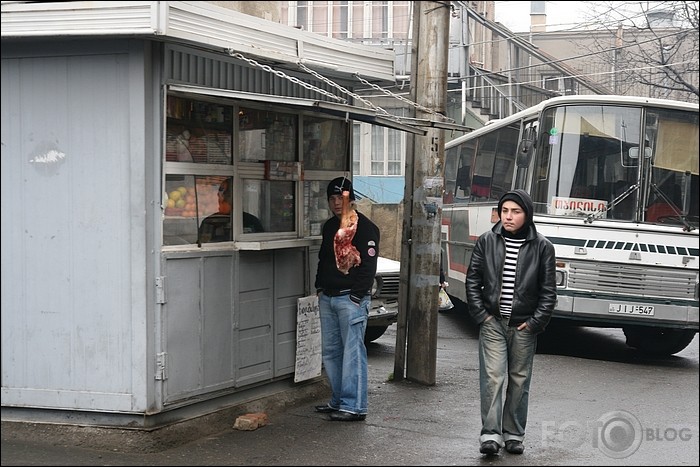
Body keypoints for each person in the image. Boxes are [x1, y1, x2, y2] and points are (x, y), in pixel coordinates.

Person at [465, 189, 556, 456]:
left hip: (524, 326)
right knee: (493, 378)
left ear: (527, 215)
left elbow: (548, 292)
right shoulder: (487, 241)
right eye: (505, 211)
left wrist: (535, 323)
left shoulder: (542, 247)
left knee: (519, 381)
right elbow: (473, 280)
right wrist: (482, 315)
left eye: (515, 212)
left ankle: (514, 434)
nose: (508, 217)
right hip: (493, 322)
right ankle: (491, 435)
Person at [313, 177, 380, 422]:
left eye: (341, 198)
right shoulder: (330, 226)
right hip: (328, 297)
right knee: (331, 352)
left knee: (352, 353)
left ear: (350, 199)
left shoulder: (365, 227)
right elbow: (323, 258)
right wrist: (319, 286)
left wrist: (356, 295)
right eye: (331, 198)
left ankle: (354, 406)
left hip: (350, 299)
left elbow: (369, 265)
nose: (336, 203)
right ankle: (339, 400)